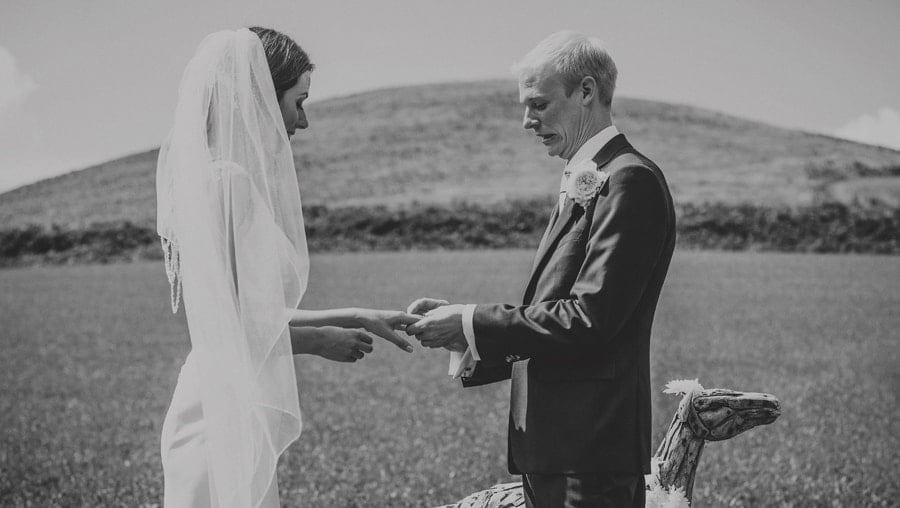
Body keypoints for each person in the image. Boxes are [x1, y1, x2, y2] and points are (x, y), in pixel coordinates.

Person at [408, 31, 676, 507]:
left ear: (587, 92)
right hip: (554, 449)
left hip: (592, 454)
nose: (526, 121)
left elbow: (590, 318)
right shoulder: (589, 178)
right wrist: (465, 335)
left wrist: (473, 320)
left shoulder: (628, 179)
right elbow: (553, 316)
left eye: (539, 104)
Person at [157, 27, 419, 507]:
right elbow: (232, 330)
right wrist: (319, 341)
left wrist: (359, 316)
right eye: (298, 101)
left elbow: (250, 318)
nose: (303, 121)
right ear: (260, 97)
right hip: (218, 412)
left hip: (225, 398)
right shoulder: (227, 182)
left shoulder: (216, 179)